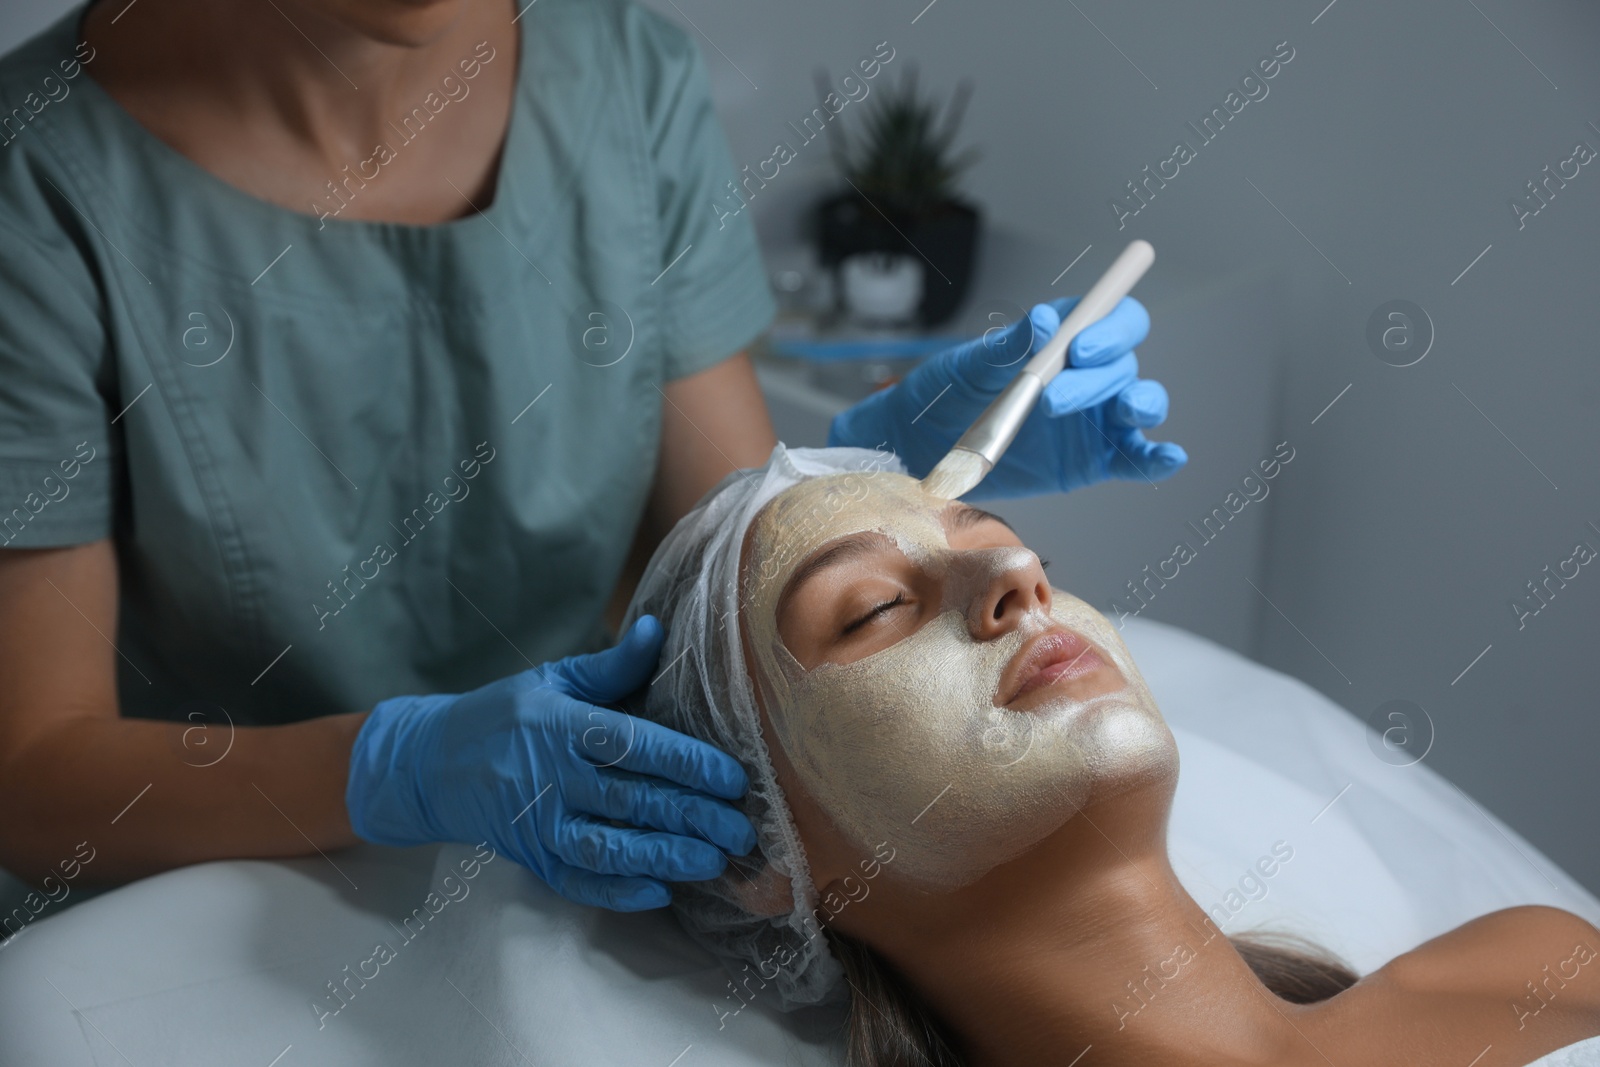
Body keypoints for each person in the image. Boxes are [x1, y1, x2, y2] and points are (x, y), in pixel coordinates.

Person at [0, 0, 1186, 911]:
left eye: (879, 610)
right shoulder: (38, 184)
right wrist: (398, 764)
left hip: (592, 852)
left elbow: (719, 562)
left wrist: (873, 467)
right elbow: (31, 777)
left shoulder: (621, 75)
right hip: (197, 897)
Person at [621, 444, 1600, 1067]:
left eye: (1009, 541)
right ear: (764, 859)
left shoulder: (1531, 955)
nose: (1016, 575)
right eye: (876, 608)